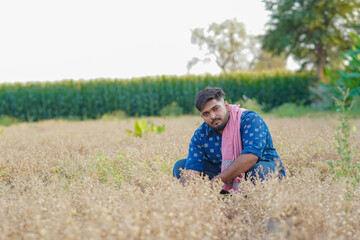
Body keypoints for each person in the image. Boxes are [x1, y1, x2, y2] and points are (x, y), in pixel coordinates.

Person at [173, 87, 285, 192]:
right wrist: (192, 194)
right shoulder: (201, 134)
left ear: (226, 105)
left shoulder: (249, 119)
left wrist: (216, 183)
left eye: (216, 109)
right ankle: (222, 195)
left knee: (258, 170)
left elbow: (251, 156)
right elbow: (192, 169)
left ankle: (250, 198)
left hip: (261, 169)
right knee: (181, 167)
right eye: (206, 113)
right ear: (202, 117)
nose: (212, 116)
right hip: (222, 176)